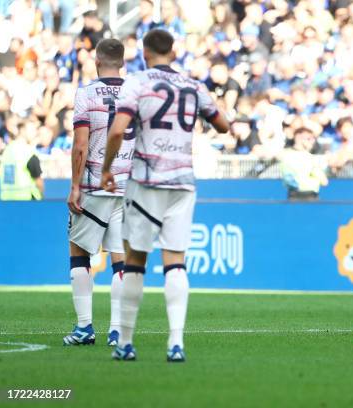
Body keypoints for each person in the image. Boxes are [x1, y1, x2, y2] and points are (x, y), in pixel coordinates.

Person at [101, 29, 230, 362]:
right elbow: (224, 125)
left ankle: (126, 343)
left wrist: (106, 168)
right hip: (182, 182)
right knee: (175, 262)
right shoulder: (194, 86)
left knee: (135, 261)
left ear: (145, 52)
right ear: (173, 52)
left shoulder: (138, 82)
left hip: (146, 181)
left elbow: (118, 129)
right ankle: (176, 344)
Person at [62, 39, 135, 348]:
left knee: (79, 253)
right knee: (120, 260)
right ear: (122, 62)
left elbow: (80, 145)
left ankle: (84, 328)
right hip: (126, 186)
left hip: (94, 185)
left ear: (96, 61)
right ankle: (116, 331)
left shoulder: (86, 93)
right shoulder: (136, 94)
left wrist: (75, 186)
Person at [280, 127, 328, 201]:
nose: (312, 141)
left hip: (310, 196)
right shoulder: (286, 155)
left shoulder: (311, 158)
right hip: (297, 196)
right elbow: (324, 181)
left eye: (313, 139)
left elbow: (324, 181)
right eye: (308, 138)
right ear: (298, 138)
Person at [0, 130, 43, 200]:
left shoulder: (6, 151)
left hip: (6, 199)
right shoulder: (28, 152)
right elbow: (38, 180)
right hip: (26, 199)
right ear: (23, 131)